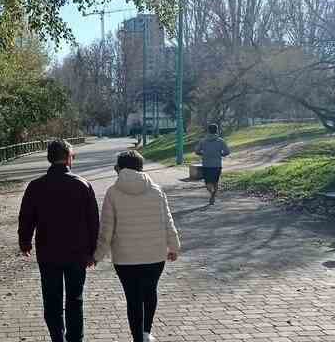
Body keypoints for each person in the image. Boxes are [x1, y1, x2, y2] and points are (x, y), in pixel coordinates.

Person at [94, 150, 181, 342]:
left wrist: (97, 255)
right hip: (154, 256)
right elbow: (167, 221)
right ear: (141, 167)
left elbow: (106, 229)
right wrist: (174, 246)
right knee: (150, 293)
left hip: (125, 258)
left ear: (120, 168)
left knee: (133, 299)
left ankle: (137, 338)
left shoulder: (112, 192)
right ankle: (146, 333)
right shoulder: (156, 190)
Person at [18, 139, 100, 342]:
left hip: (48, 252)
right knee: (75, 299)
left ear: (50, 158)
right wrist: (93, 252)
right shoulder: (83, 185)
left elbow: (26, 217)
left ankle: (57, 337)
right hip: (78, 252)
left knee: (52, 299)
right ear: (68, 158)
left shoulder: (36, 186)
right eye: (73, 155)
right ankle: (75, 339)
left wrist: (25, 242)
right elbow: (93, 222)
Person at [195, 124, 230, 205]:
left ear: (208, 131)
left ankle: (211, 192)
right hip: (217, 165)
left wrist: (203, 154)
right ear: (216, 130)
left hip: (206, 165)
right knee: (215, 182)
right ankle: (213, 196)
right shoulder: (221, 141)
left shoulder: (203, 141)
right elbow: (227, 152)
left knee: (208, 183)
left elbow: (197, 151)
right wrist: (220, 155)